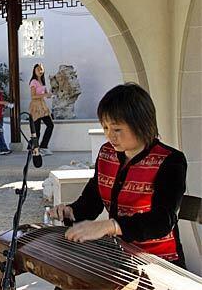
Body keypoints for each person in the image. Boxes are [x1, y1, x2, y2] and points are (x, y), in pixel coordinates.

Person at [49, 83, 187, 267]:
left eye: (117, 129)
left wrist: (109, 226)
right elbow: (92, 201)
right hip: (119, 255)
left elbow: (162, 221)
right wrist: (70, 211)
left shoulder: (170, 160)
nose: (109, 136)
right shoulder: (107, 154)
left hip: (159, 260)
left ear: (141, 124)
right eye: (105, 128)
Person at [29, 63, 54, 155]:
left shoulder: (42, 81)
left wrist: (49, 94)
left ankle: (43, 146)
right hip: (36, 106)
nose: (40, 71)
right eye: (38, 69)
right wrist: (44, 95)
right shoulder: (33, 82)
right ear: (34, 71)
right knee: (37, 129)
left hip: (42, 106)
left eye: (41, 69)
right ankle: (35, 148)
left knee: (50, 125)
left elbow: (46, 94)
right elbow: (33, 96)